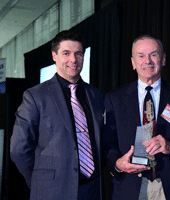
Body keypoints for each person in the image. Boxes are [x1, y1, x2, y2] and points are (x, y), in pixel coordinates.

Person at [10, 30, 105, 200]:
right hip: (52, 192)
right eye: (66, 53)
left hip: (92, 190)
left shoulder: (96, 95)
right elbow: (18, 149)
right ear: (54, 56)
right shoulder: (35, 96)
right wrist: (39, 180)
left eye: (78, 54)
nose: (73, 60)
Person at [103, 35, 170, 200]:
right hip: (129, 188)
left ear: (163, 59)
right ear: (133, 62)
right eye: (141, 56)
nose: (148, 61)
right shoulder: (114, 99)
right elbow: (107, 144)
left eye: (154, 55)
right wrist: (118, 164)